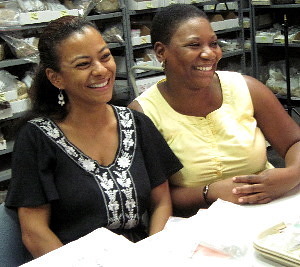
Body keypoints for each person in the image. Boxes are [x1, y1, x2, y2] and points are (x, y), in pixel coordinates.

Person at [5, 15, 183, 258]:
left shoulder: (136, 123)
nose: (101, 70)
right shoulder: (36, 139)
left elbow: (161, 202)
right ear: (56, 77)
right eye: (82, 64)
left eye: (105, 56)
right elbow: (35, 232)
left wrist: (153, 253)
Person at [128, 4, 300, 216]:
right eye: (194, 45)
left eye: (214, 43)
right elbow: (154, 198)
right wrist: (209, 193)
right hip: (198, 226)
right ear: (161, 52)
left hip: (267, 211)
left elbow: (294, 142)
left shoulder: (247, 88)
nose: (210, 54)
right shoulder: (144, 113)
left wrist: (292, 174)